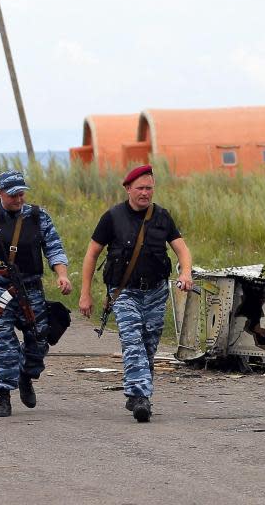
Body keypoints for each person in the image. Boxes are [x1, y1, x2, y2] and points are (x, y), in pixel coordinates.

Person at [79, 164, 193, 423]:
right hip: (124, 293)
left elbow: (182, 249)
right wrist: (85, 293)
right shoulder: (113, 217)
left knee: (149, 345)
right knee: (132, 341)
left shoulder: (162, 217)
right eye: (140, 188)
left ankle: (136, 392)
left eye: (149, 188)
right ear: (128, 188)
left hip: (155, 292)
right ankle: (141, 397)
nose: (145, 193)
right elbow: (92, 254)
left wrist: (185, 273)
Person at [0, 170, 72, 417]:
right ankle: (3, 396)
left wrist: (61, 274)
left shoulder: (38, 216)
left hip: (30, 289)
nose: (18, 199)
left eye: (21, 194)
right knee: (2, 341)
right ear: (0, 193)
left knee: (39, 339)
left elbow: (54, 248)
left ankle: (26, 375)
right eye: (12, 195)